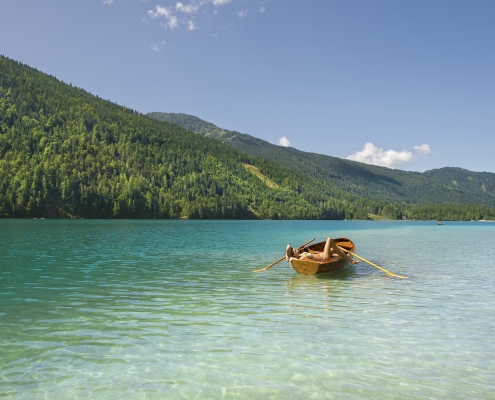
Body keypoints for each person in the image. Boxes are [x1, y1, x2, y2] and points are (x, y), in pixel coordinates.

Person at [286, 237, 357, 264]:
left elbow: (288, 258)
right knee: (329, 239)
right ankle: (341, 257)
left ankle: (351, 261)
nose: (297, 250)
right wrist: (321, 262)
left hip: (322, 254)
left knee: (336, 249)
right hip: (323, 258)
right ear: (294, 255)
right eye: (295, 251)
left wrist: (289, 249)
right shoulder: (302, 258)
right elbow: (313, 263)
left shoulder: (300, 255)